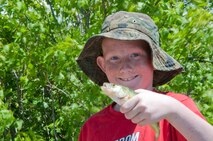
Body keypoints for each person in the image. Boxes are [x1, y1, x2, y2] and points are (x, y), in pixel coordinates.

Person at [77, 11, 213, 141]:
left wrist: (173, 110)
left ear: (154, 60)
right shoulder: (91, 128)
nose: (125, 68)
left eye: (135, 55)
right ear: (102, 64)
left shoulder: (177, 107)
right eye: (114, 58)